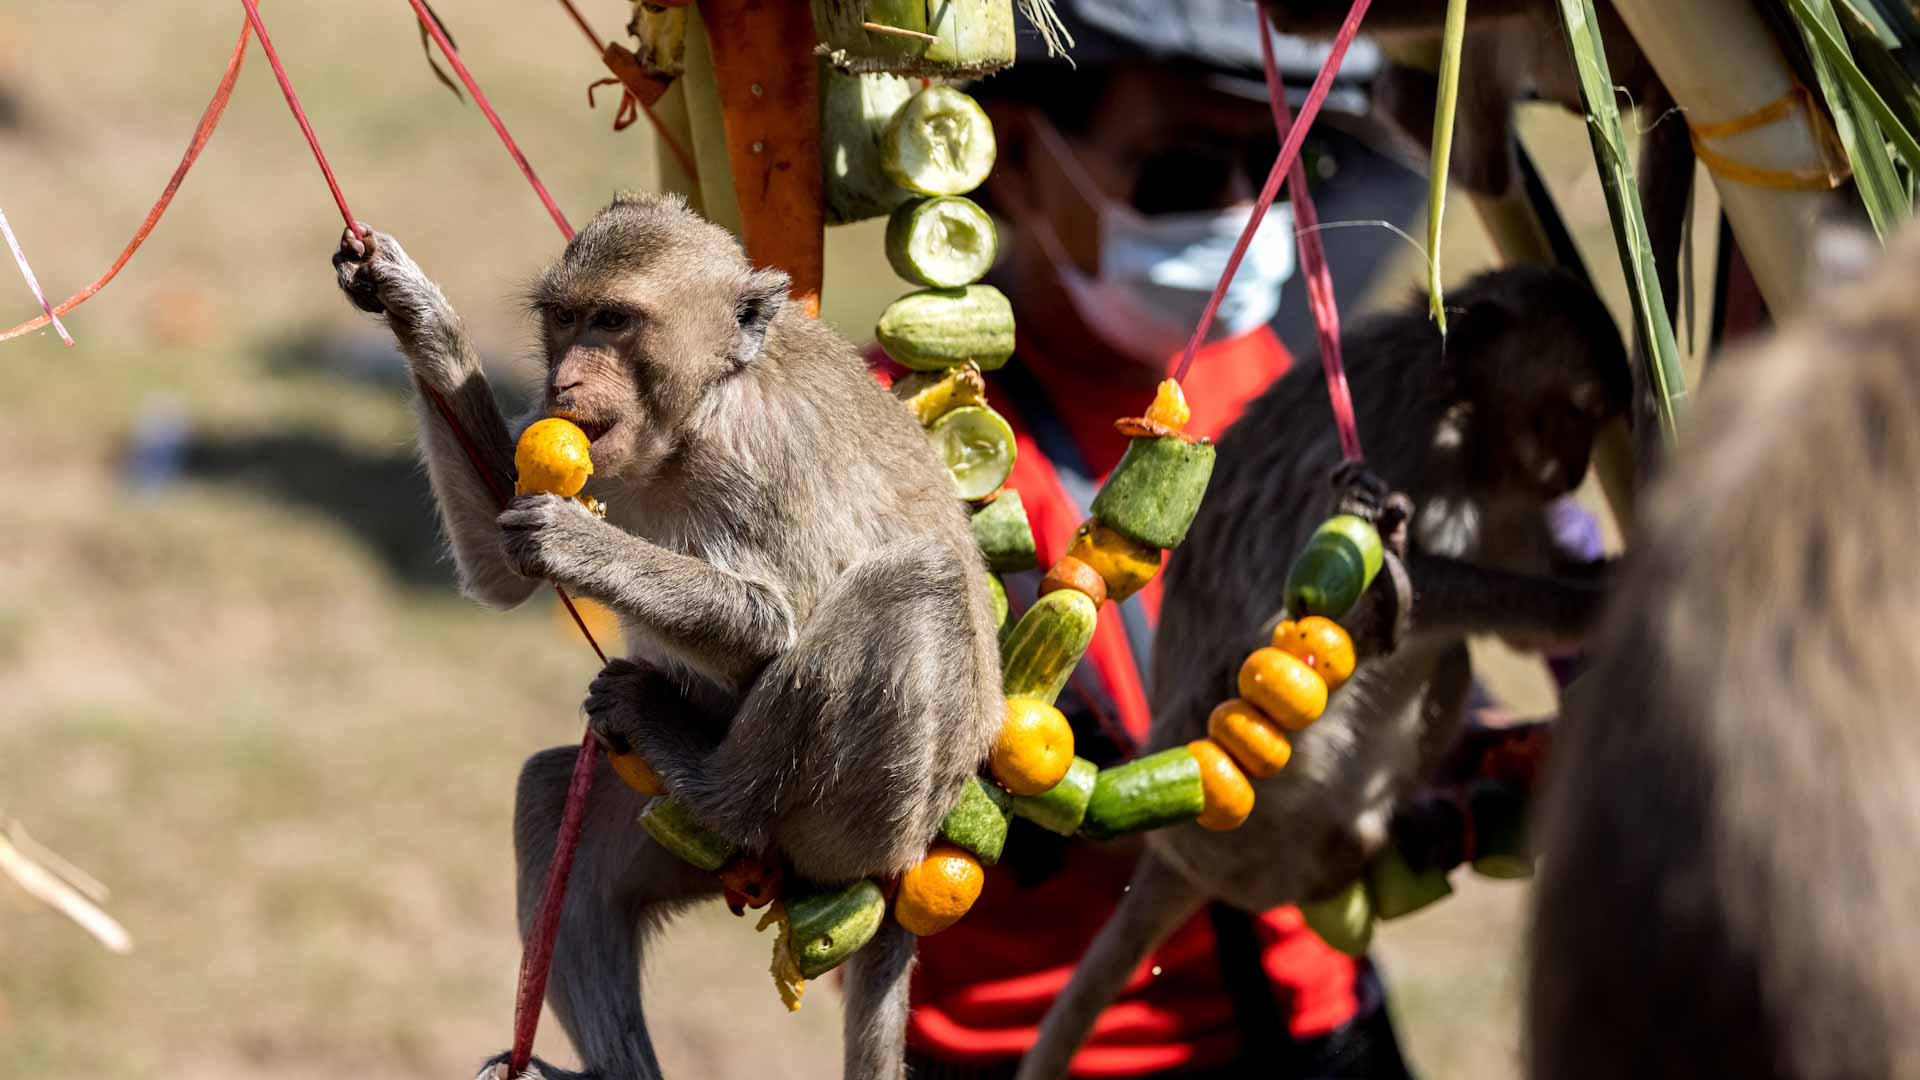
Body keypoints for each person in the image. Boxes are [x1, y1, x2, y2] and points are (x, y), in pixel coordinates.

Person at [866, 3, 1434, 1076]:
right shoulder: (901, 435)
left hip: (1322, 1023)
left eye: (1264, 165)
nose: (1237, 211)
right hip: (1044, 1052)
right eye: (1178, 172)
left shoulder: (1272, 377)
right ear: (1019, 158)